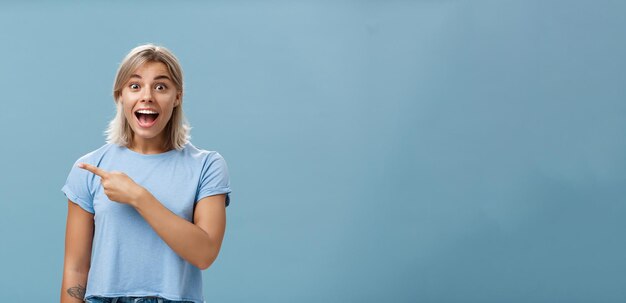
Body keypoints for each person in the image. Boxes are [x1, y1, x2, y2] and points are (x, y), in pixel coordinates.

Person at [60, 44, 232, 303]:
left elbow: (204, 253)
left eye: (161, 86)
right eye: (135, 86)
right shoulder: (90, 168)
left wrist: (138, 197)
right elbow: (75, 270)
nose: (147, 96)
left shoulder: (207, 166)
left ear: (177, 97)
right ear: (120, 96)